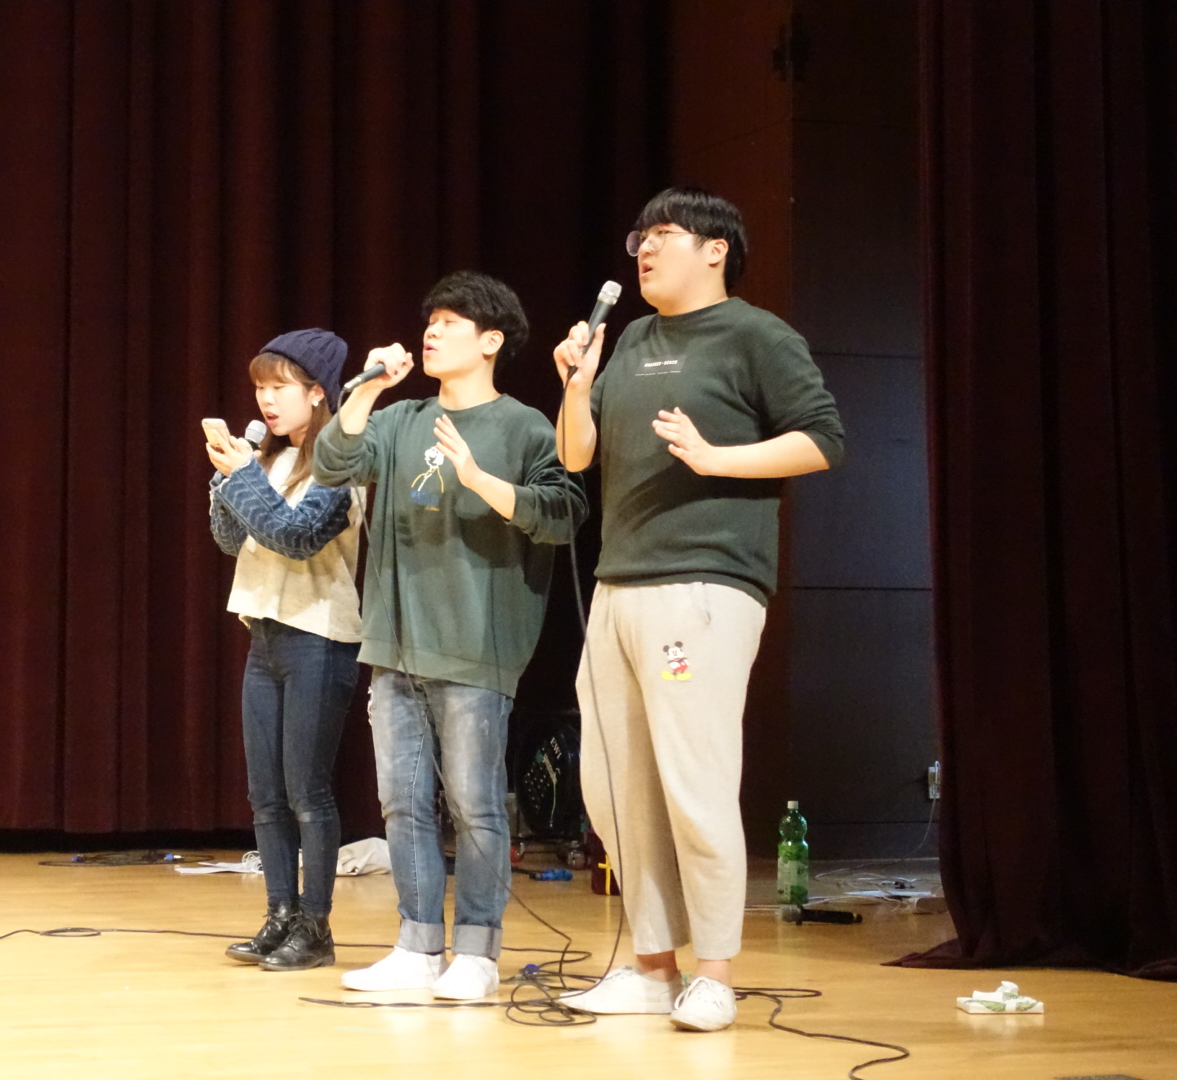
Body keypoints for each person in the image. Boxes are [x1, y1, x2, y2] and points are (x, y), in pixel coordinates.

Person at [552, 188, 845, 1030]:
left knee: (694, 780)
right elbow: (576, 455)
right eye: (639, 237)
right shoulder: (633, 340)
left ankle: (714, 972)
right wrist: (577, 385)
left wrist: (717, 458)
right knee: (615, 787)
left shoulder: (757, 335)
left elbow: (823, 439)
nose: (644, 248)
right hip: (618, 583)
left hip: (705, 584)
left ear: (716, 249)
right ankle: (651, 967)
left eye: (665, 234)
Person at [312, 271, 587, 1000]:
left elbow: (563, 512)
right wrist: (367, 390)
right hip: (395, 643)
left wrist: (481, 481)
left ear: (491, 341)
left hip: (475, 646)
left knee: (475, 805)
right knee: (402, 804)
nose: (431, 332)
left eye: (450, 323)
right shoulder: (402, 419)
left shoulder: (525, 427)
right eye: (429, 321)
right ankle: (416, 947)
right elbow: (333, 463)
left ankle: (476, 951)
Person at [207, 329, 365, 972]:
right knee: (265, 794)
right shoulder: (265, 458)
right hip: (266, 634)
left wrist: (243, 478)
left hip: (319, 636)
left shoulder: (339, 462)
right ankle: (279, 915)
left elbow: (296, 536)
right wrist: (225, 479)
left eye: (279, 387)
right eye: (259, 389)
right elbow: (229, 540)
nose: (266, 400)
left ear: (318, 392)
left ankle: (315, 927)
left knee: (307, 791)